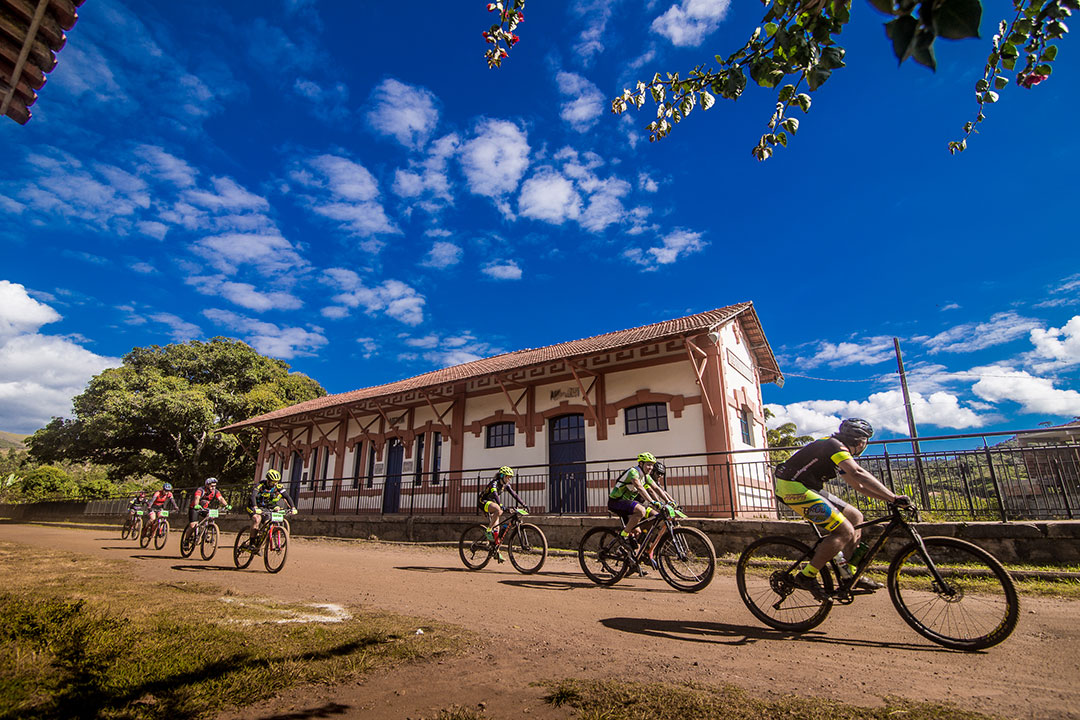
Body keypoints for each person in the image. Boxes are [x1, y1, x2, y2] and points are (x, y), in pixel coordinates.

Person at [773, 418, 911, 599]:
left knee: (856, 517)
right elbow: (858, 473)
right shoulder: (834, 446)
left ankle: (848, 574)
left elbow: (859, 486)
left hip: (808, 487)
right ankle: (806, 576)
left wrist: (890, 500)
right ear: (861, 442)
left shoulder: (838, 451)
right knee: (845, 531)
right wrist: (894, 497)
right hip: (791, 487)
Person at [607, 452, 675, 546]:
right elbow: (639, 487)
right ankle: (624, 535)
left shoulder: (646, 476)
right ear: (641, 464)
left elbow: (657, 488)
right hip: (616, 502)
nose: (650, 468)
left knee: (655, 515)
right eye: (648, 465)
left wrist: (670, 501)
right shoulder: (633, 472)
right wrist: (652, 501)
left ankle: (638, 533)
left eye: (652, 465)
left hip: (629, 503)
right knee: (641, 510)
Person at [242, 468, 297, 551]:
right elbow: (253, 496)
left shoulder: (278, 487)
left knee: (268, 525)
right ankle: (251, 543)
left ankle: (260, 540)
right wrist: (255, 507)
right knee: (257, 519)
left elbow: (286, 496)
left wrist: (293, 508)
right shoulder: (260, 485)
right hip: (254, 506)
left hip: (266, 507)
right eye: (273, 481)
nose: (275, 483)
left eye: (277, 481)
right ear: (268, 480)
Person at [477, 466, 524, 543]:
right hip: (483, 501)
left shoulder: (506, 485)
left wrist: (523, 504)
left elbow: (514, 495)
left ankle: (494, 550)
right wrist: (501, 505)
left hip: (492, 503)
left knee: (496, 531)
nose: (509, 479)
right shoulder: (494, 483)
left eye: (510, 477)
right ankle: (488, 530)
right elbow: (495, 494)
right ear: (502, 476)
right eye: (508, 477)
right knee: (498, 509)